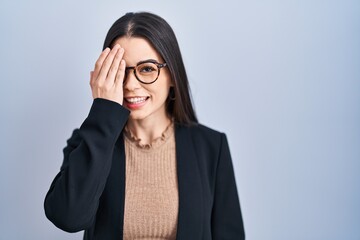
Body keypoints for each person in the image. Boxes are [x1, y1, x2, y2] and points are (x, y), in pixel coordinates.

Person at [44, 11, 245, 240]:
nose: (130, 85)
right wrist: (103, 110)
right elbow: (68, 218)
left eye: (147, 68)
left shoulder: (211, 147)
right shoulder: (91, 141)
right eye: (120, 70)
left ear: (172, 75)